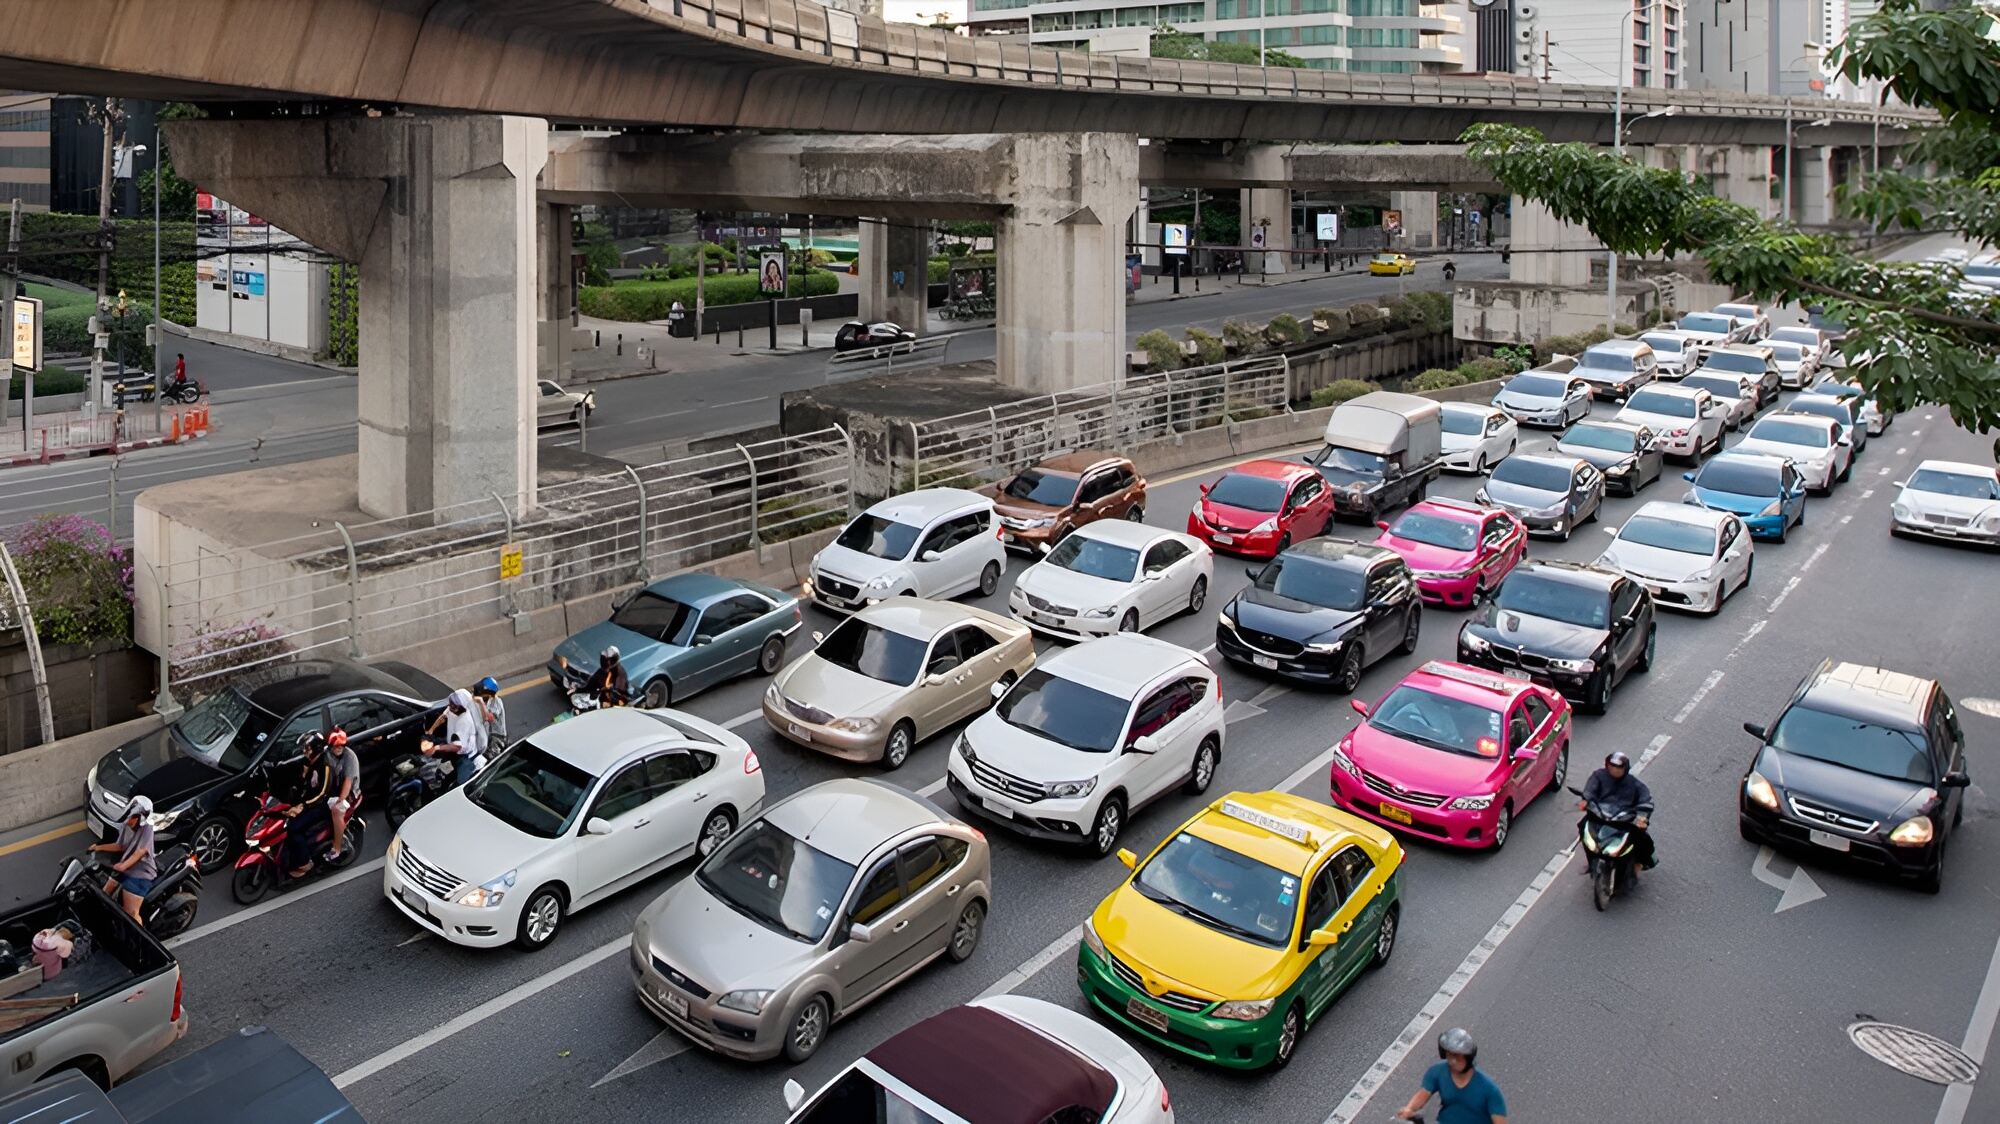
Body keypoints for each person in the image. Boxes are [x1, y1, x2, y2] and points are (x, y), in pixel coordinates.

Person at [1397, 1028, 1508, 1124]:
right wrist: (1409, 1109)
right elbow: (1423, 1094)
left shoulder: (1489, 1090)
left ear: (1468, 1057)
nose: (1453, 1061)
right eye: (1449, 1055)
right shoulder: (1437, 1072)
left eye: (1457, 1056)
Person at [1580, 750, 1657, 869]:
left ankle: (1642, 862)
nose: (1615, 770)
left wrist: (1642, 817)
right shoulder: (1598, 776)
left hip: (1624, 821)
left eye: (1619, 767)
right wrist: (1586, 800)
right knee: (1582, 826)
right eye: (1612, 766)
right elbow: (1590, 790)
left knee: (1643, 839)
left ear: (1625, 768)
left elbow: (1645, 799)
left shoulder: (1634, 784)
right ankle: (1592, 858)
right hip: (1601, 816)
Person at [90, 795, 158, 924]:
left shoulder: (147, 828)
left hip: (140, 873)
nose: (128, 821)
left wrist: (123, 866)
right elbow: (120, 846)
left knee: (131, 913)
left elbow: (140, 852)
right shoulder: (125, 825)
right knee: (104, 896)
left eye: (132, 818)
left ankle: (138, 940)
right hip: (124, 868)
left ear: (140, 818)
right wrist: (98, 848)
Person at [284, 733, 333, 879]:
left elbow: (322, 794)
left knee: (293, 829)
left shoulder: (325, 766)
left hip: (320, 806)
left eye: (307, 748)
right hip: (307, 803)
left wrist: (303, 806)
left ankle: (305, 862)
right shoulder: (309, 763)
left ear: (316, 749)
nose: (305, 751)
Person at [423, 688, 488, 785]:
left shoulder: (465, 721)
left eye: (453, 705)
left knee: (461, 784)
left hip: (465, 756)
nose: (450, 706)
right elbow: (443, 717)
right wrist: (431, 731)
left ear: (461, 706)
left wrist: (436, 748)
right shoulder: (452, 708)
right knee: (441, 773)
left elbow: (457, 747)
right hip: (453, 746)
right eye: (450, 703)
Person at [323, 729, 361, 862]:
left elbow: (348, 782)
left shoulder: (349, 757)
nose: (338, 748)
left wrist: (341, 800)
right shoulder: (327, 755)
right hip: (333, 790)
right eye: (336, 746)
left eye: (341, 746)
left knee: (336, 810)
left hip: (349, 793)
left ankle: (337, 849)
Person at [473, 676, 507, 750]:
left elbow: (489, 718)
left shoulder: (496, 702)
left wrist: (481, 703)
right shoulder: (480, 698)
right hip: (484, 734)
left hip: (496, 737)